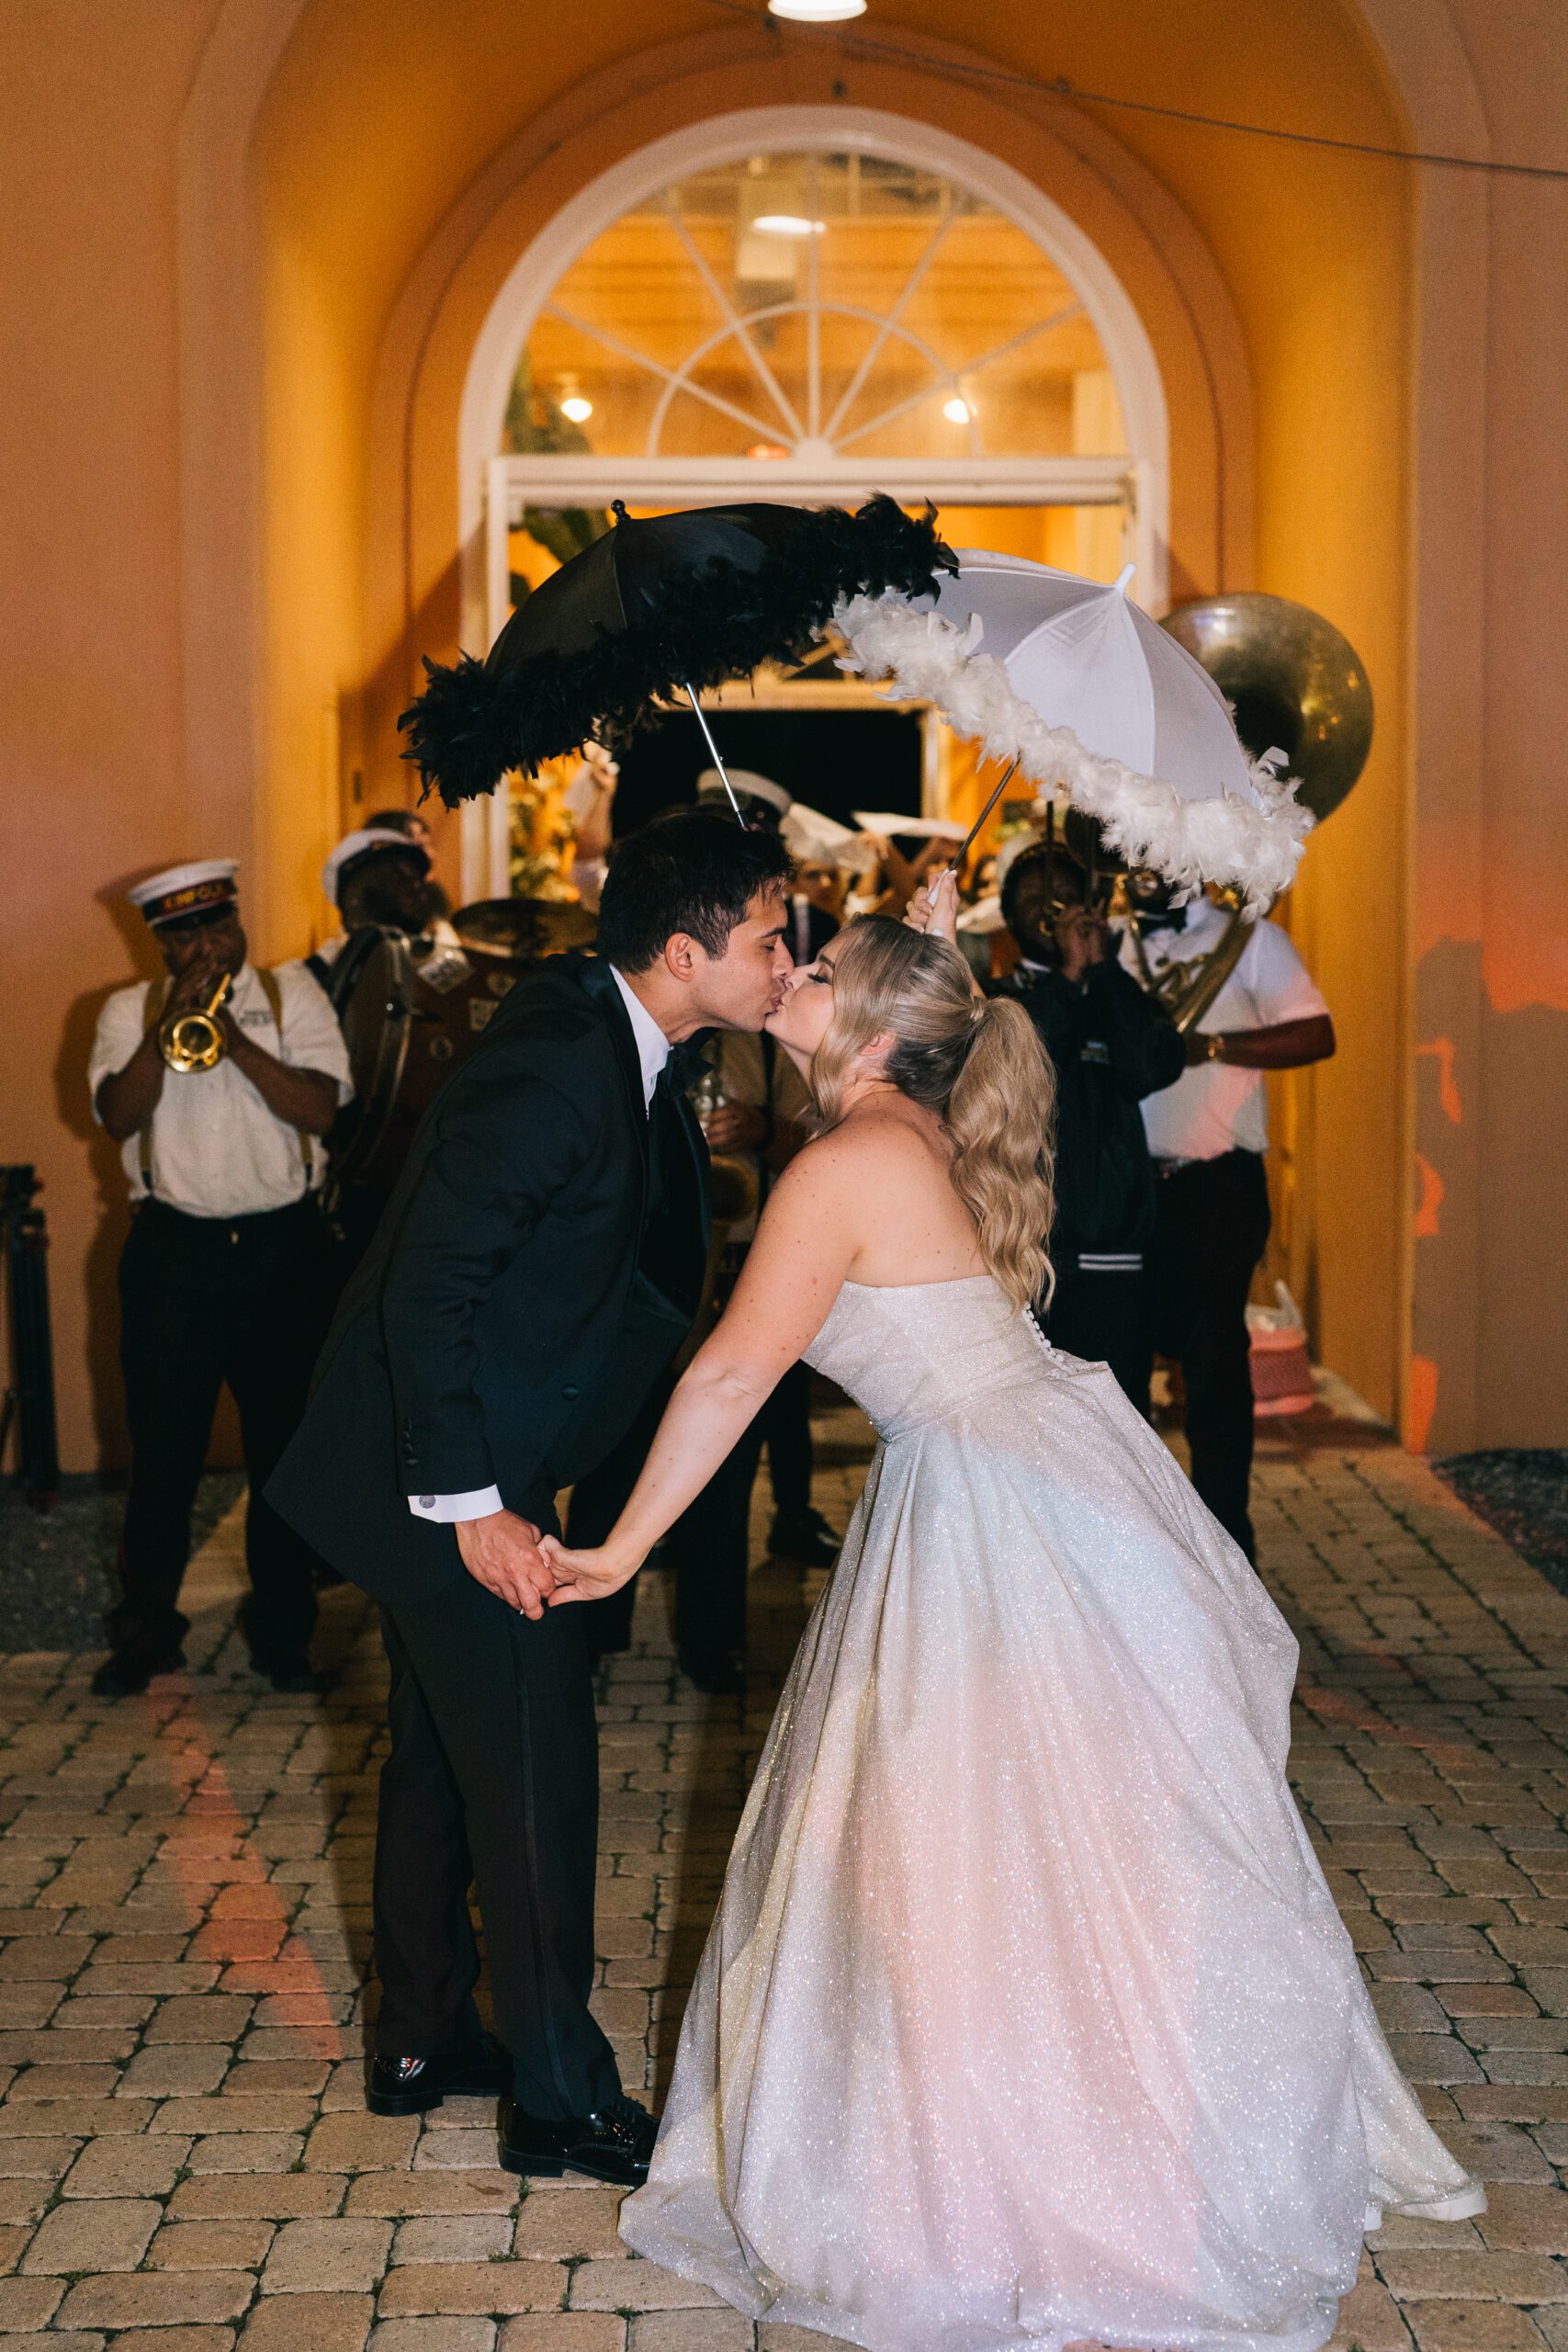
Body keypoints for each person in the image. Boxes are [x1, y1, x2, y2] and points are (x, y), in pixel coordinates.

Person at [538, 888, 1481, 2352]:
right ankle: (1103, 2134)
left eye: (815, 962)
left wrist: (614, 1552)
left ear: (865, 1023)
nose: (786, 967)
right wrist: (916, 956)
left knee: (972, 1842)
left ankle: (1035, 2182)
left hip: (994, 1507)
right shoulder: (899, 1132)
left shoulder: (843, 1160)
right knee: (1047, 1838)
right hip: (1041, 1474)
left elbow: (728, 1379)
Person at [265, 812, 794, 2184]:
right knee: (538, 1769)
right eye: (769, 938)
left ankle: (423, 2038)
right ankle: (558, 2100)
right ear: (682, 952)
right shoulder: (559, 1065)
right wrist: (478, 1503)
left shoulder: (610, 1020)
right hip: (440, 1475)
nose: (786, 959)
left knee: (449, 1754)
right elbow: (429, 1284)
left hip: (463, 1453)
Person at [87, 860, 352, 1697]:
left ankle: (284, 1638)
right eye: (183, 934)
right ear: (159, 944)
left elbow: (321, 1111)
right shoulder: (127, 1011)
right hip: (175, 1255)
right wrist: (170, 1022)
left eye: (215, 928)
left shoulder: (291, 997)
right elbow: (118, 1115)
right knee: (163, 1456)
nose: (205, 945)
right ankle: (145, 1636)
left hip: (285, 1252)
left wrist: (231, 1037)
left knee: (284, 1455)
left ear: (237, 924)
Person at [1122, 883, 1336, 1560]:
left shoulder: (1250, 941)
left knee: (1213, 1368)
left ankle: (1223, 1550)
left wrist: (1213, 1047)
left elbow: (1315, 1033)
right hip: (1122, 1194)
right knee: (1114, 1373)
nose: (1142, 865)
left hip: (1213, 1188)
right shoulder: (1106, 941)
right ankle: (1130, 1550)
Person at [989, 841, 1183, 1409]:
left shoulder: (1118, 991)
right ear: (1008, 915)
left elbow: (1149, 1065)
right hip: (1019, 1253)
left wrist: (1101, 973)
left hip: (1109, 1252)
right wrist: (1069, 982)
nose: (1052, 906)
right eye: (1033, 896)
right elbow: (1019, 1068)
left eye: (1068, 896)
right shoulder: (994, 997)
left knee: (1120, 1425)